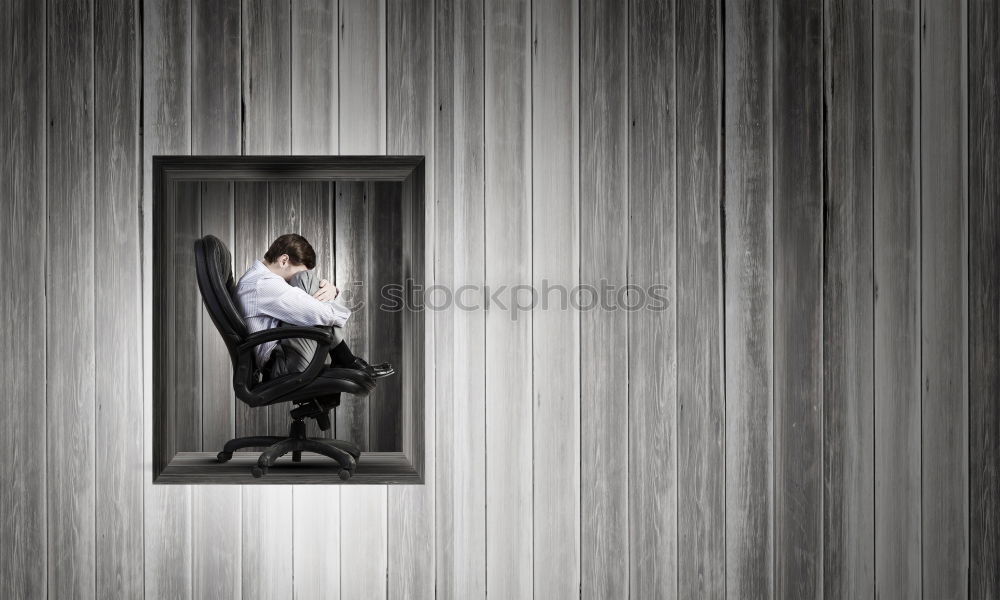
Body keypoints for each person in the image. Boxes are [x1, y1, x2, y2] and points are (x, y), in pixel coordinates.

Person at [234, 233, 394, 381]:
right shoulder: (263, 284)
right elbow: (321, 313)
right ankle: (346, 359)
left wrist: (332, 291)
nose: (294, 280)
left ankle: (344, 360)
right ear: (283, 261)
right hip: (282, 366)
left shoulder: (258, 279)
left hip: (281, 358)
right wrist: (333, 302)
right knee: (306, 280)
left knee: (309, 287)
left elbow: (311, 307)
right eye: (295, 273)